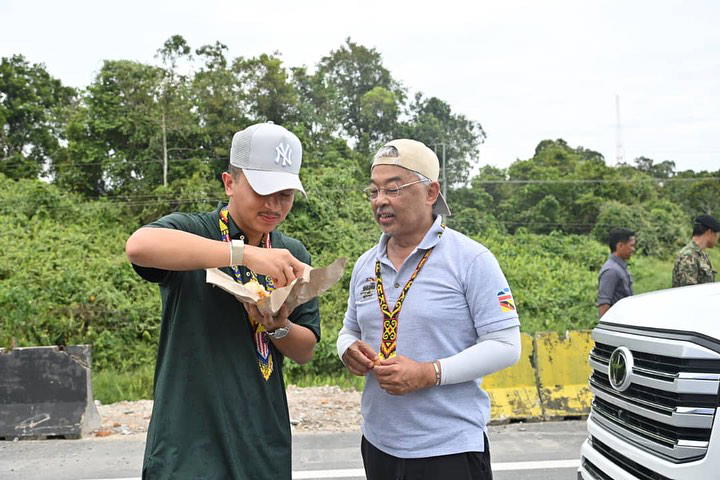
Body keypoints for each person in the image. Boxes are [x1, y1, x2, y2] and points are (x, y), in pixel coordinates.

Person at [125, 122, 320, 480]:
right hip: (189, 446)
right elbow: (139, 246)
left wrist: (278, 327)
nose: (274, 205)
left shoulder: (291, 253)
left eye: (285, 194)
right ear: (230, 183)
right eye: (264, 191)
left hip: (263, 439)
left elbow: (305, 350)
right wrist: (243, 255)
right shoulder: (196, 232)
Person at [337, 139, 521, 480]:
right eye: (374, 191)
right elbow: (349, 330)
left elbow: (506, 345)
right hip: (379, 444)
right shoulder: (366, 264)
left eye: (393, 189)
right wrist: (346, 349)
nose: (380, 202)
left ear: (431, 192)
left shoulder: (471, 259)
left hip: (449, 449)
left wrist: (429, 373)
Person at [596, 227, 636, 318]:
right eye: (631, 245)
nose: (633, 249)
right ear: (620, 246)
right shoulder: (611, 271)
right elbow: (603, 306)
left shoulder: (621, 268)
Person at [672, 214, 720, 287]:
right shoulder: (688, 256)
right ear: (709, 232)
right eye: (716, 234)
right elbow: (689, 293)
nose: (717, 238)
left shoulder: (701, 254)